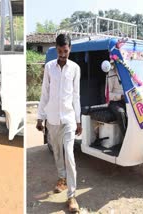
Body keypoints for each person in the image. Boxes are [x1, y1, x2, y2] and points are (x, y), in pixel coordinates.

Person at [36, 34, 81, 213]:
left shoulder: (75, 69)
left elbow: (76, 96)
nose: (63, 54)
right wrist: (40, 117)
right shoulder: (49, 67)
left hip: (68, 119)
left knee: (69, 154)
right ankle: (61, 178)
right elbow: (44, 93)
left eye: (66, 51)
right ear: (56, 48)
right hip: (52, 119)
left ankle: (72, 196)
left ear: (70, 49)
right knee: (56, 152)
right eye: (60, 51)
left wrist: (78, 120)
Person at [106, 61, 127, 135]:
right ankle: (125, 137)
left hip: (127, 101)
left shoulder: (128, 72)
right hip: (115, 102)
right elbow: (108, 94)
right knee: (121, 112)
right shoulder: (111, 73)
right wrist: (121, 96)